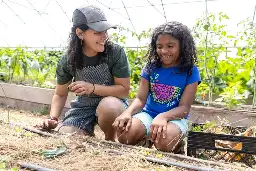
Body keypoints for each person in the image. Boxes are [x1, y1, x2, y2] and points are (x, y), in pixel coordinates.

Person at [38, 5, 130, 141]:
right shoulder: (68, 59)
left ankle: (110, 139)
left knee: (109, 106)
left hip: (113, 103)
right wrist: (53, 118)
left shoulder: (115, 52)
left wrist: (92, 88)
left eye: (105, 31)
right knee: (67, 136)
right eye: (98, 32)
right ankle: (85, 131)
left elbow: (124, 90)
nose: (104, 36)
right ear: (80, 33)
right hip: (84, 107)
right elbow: (60, 93)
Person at [113, 21, 201, 152]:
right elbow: (141, 99)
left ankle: (177, 145)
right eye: (159, 46)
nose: (164, 51)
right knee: (124, 136)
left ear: (182, 46)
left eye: (170, 46)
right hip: (148, 115)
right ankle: (145, 139)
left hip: (175, 118)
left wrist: (163, 117)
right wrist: (127, 113)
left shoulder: (190, 71)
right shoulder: (151, 67)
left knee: (164, 142)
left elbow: (184, 108)